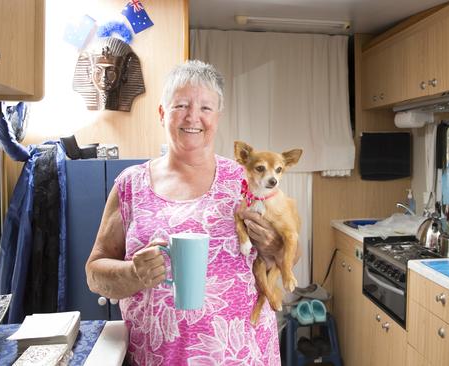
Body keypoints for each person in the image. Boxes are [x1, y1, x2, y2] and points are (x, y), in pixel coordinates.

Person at [86, 60, 298, 365]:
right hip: (158, 358)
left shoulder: (247, 180)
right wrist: (133, 273)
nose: (193, 117)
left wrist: (274, 247)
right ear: (162, 113)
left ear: (218, 117)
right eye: (181, 105)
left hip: (245, 356)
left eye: (206, 108)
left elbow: (293, 251)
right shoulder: (130, 185)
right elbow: (95, 273)